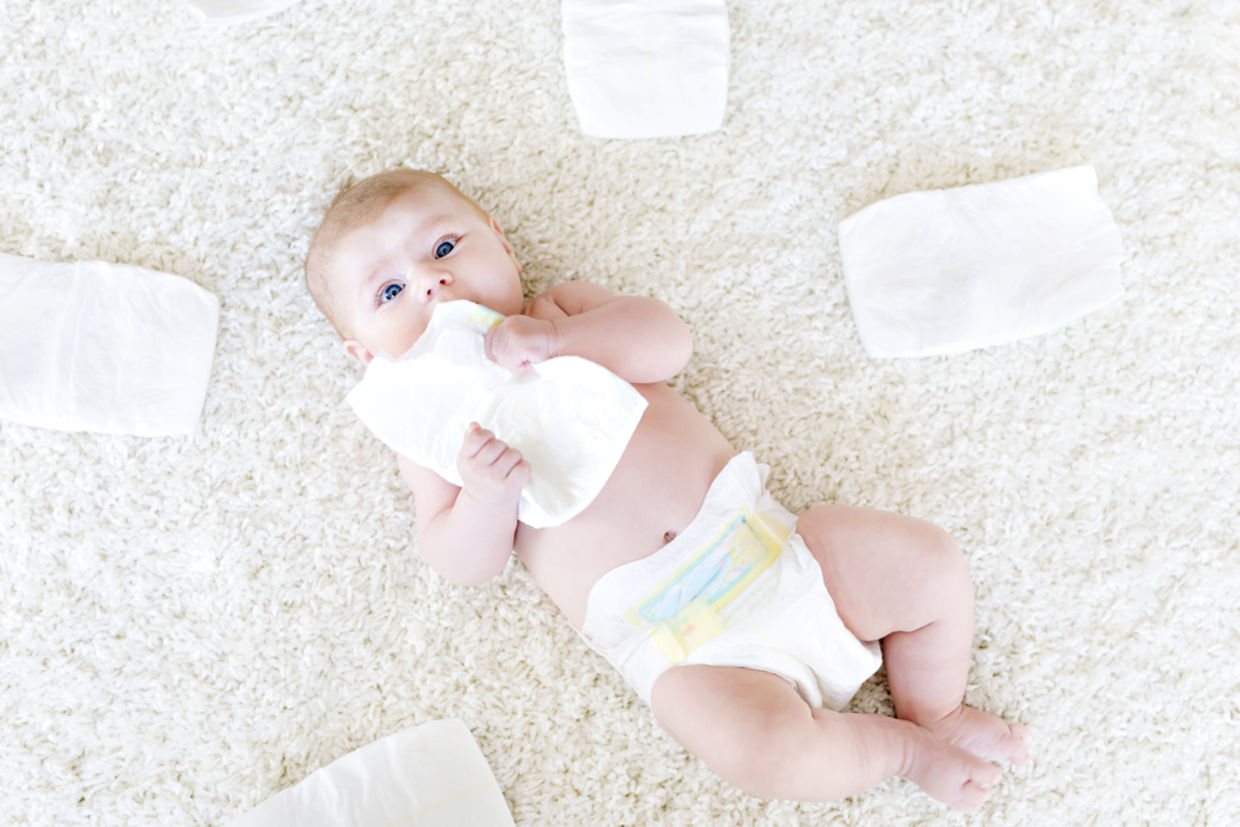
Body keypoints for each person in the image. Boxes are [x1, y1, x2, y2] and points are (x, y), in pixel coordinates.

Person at [304, 168, 1031, 811]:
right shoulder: (431, 435)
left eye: (445, 247)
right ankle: (901, 750)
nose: (432, 283)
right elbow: (458, 560)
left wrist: (558, 343)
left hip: (777, 550)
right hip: (685, 647)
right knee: (761, 750)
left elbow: (667, 342)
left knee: (927, 564)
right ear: (365, 355)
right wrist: (485, 499)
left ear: (502, 243)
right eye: (390, 291)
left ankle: (935, 710)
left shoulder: (562, 313)